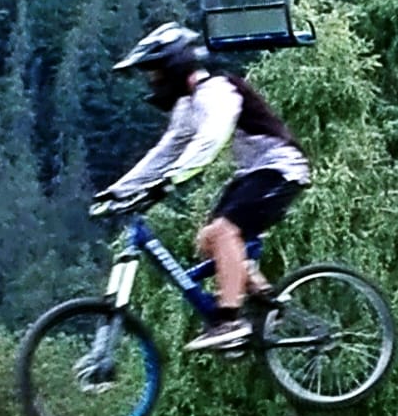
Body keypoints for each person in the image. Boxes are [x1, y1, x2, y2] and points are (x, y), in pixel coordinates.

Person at [90, 22, 312, 352]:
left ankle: (230, 320)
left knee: (224, 232)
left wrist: (170, 181)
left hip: (281, 168)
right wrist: (118, 190)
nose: (152, 81)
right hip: (253, 171)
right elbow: (165, 152)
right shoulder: (187, 105)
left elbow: (211, 139)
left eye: (155, 73)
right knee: (207, 241)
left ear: (175, 66)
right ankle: (264, 296)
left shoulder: (218, 91)